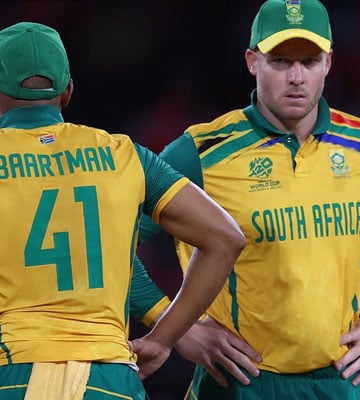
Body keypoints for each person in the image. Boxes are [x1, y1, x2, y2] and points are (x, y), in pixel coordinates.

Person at [133, 0, 360, 398]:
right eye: (279, 60)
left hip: (338, 382)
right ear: (253, 61)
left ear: (329, 63)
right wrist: (176, 329)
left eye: (309, 60)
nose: (296, 77)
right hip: (239, 384)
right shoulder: (200, 152)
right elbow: (110, 244)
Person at [0, 21, 247, 399]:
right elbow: (225, 237)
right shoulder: (126, 155)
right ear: (67, 91)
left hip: (14, 370)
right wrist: (164, 339)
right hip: (111, 380)